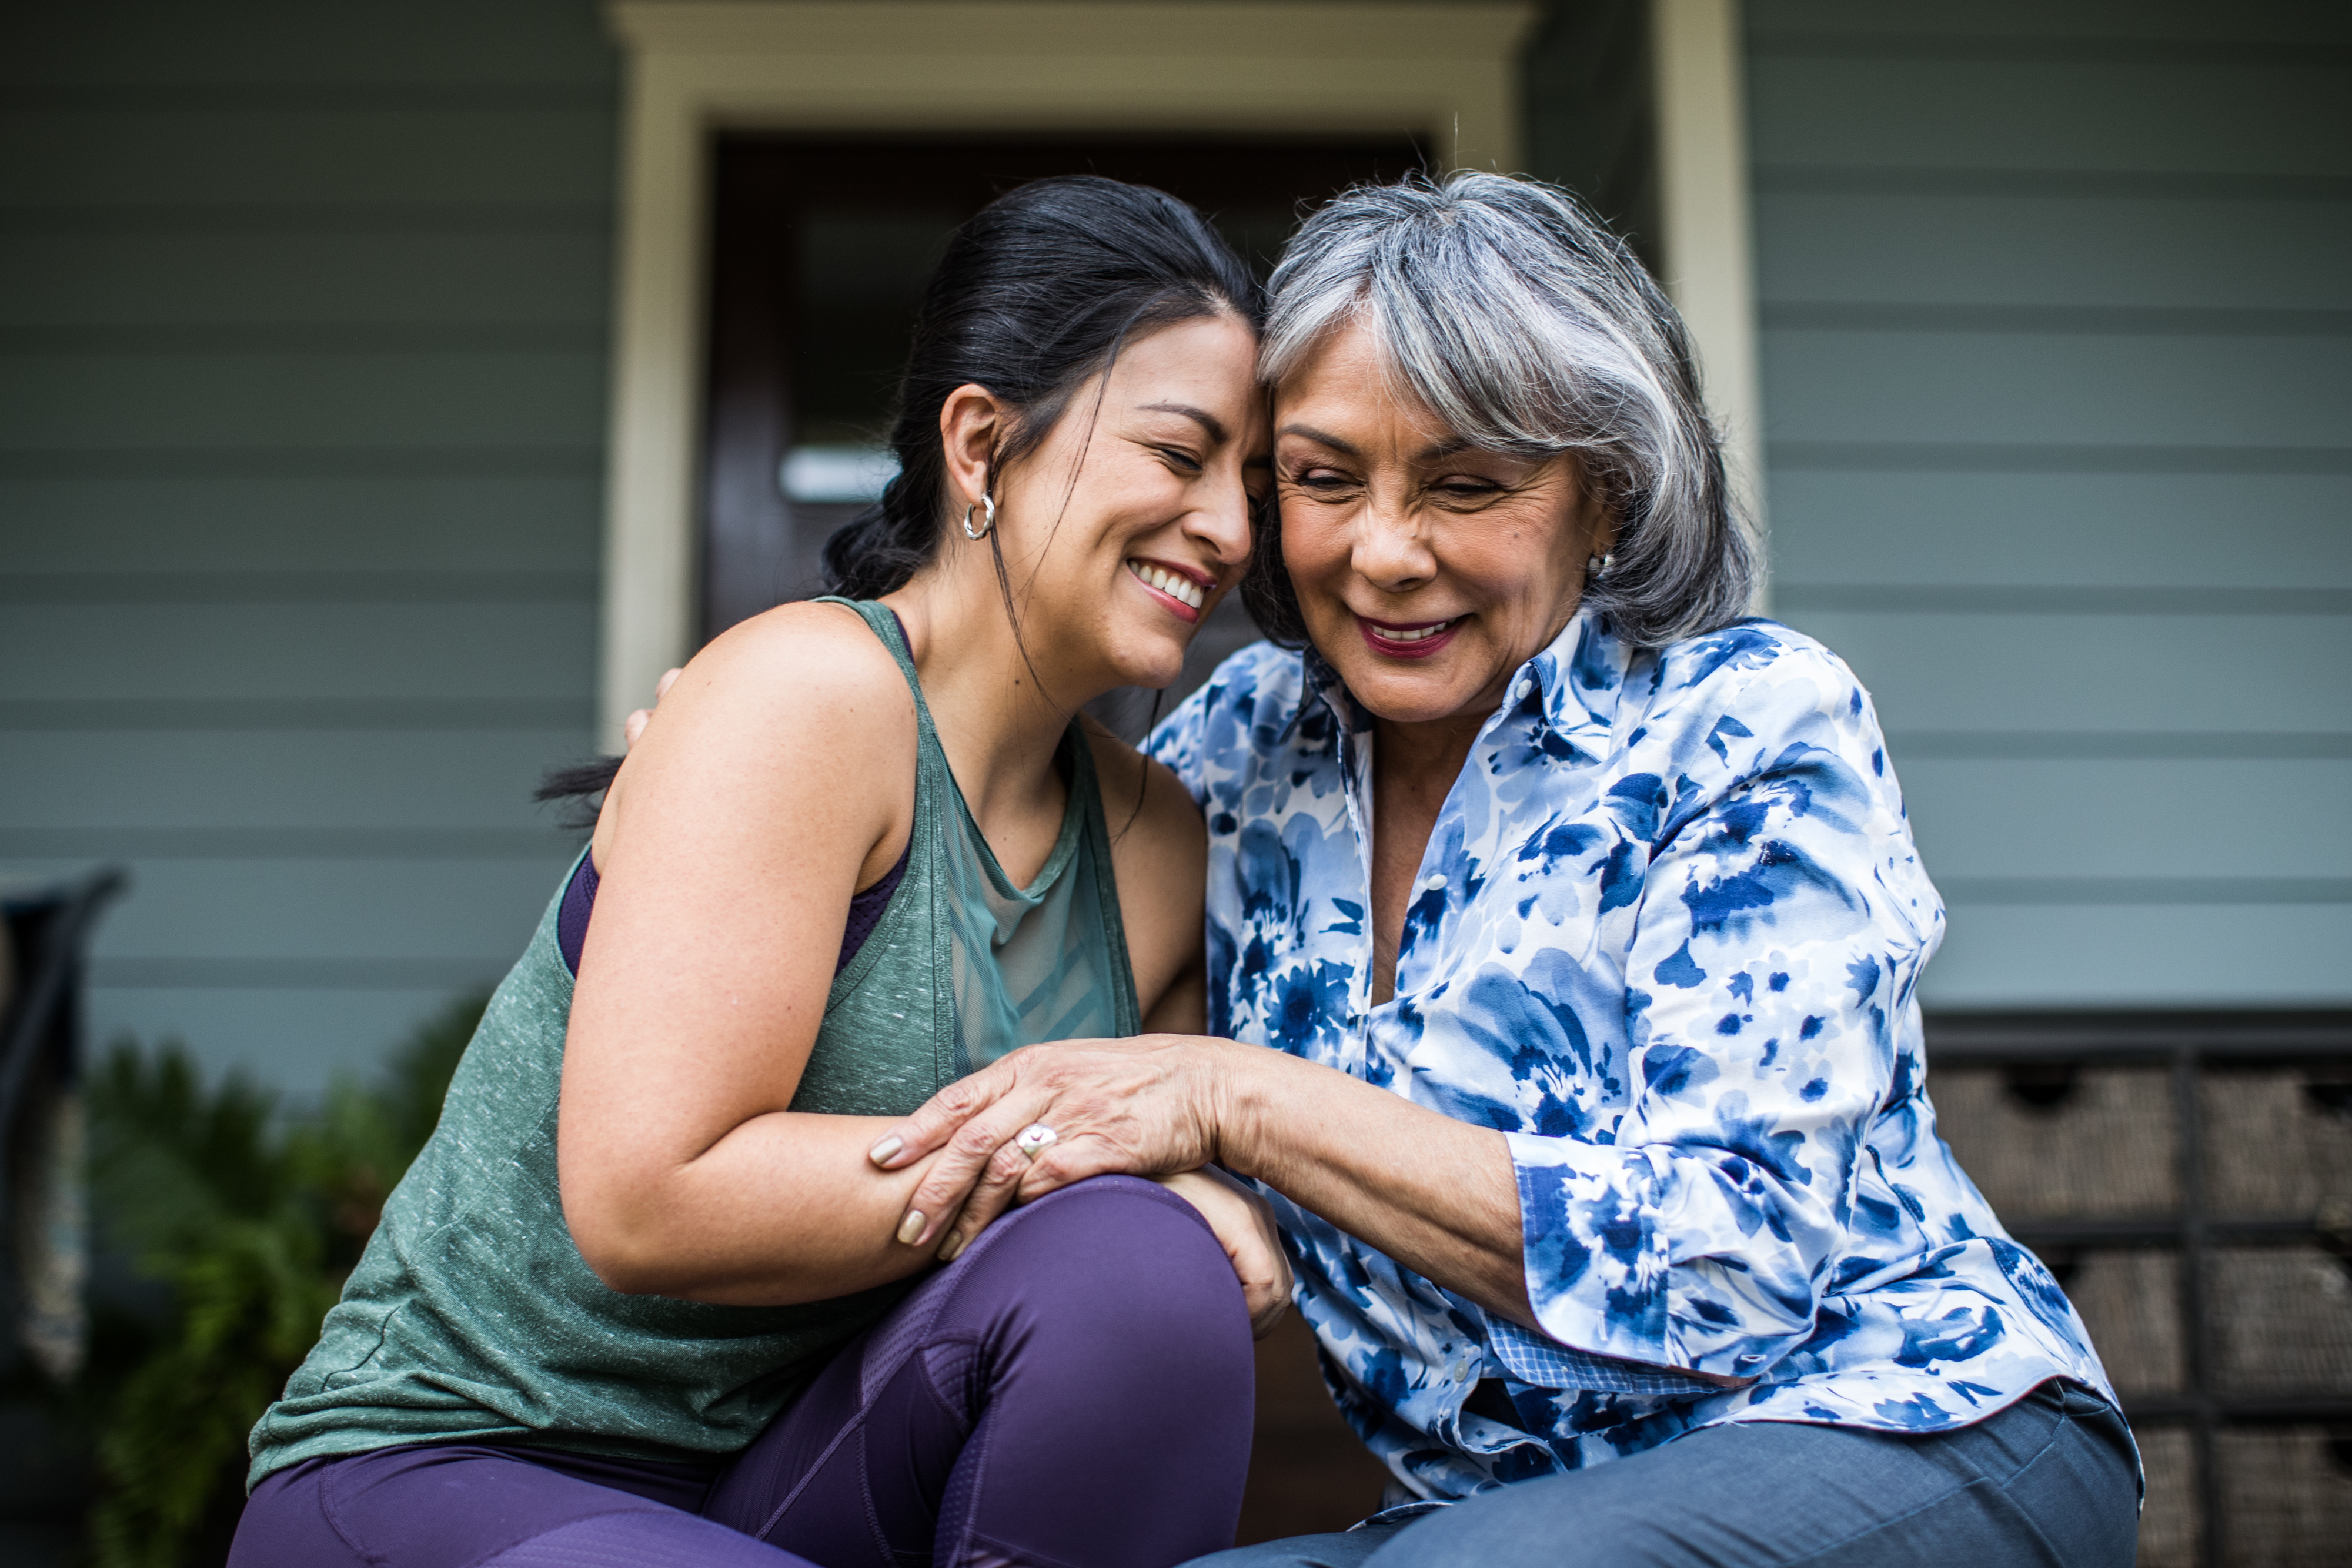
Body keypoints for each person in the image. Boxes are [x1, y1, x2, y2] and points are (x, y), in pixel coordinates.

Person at [863, 173, 2143, 1566]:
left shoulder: (1744, 720)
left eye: (1467, 484)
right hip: (1494, 1520)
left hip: (1908, 1427)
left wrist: (1239, 1103)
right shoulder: (1233, 756)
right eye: (1323, 478)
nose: (1385, 553)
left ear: (1603, 493)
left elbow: (1729, 1267)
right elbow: (1002, 954)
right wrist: (762, 758)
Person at [227, 175, 1291, 1568]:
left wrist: (1181, 1197)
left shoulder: (1155, 844)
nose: (1227, 526)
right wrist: (1081, 1165)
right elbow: (650, 1194)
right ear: (982, 445)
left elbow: (1155, 1219)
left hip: (795, 1481)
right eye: (1179, 453)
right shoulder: (807, 697)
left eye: (1254, 481)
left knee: (1140, 1277)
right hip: (455, 1460)